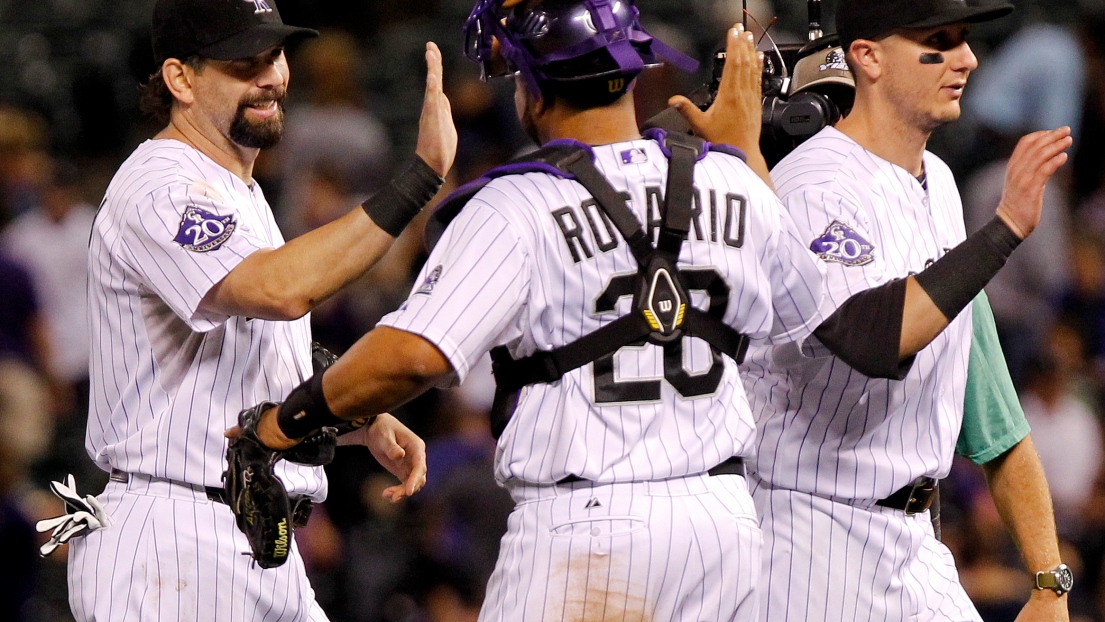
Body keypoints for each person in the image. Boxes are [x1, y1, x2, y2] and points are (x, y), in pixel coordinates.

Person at [234, 0, 830, 618]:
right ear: (632, 68)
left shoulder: (516, 204)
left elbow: (413, 356)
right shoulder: (734, 184)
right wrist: (744, 156)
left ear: (533, 89)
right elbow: (805, 321)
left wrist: (282, 423)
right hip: (722, 524)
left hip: (589, 531)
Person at [60, 0, 456, 619]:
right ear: (181, 79)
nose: (271, 74)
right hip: (174, 541)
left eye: (275, 55)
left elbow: (249, 354)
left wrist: (354, 417)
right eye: (244, 62)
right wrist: (420, 177)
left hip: (248, 535)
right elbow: (281, 289)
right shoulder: (163, 183)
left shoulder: (237, 191)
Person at [716, 0, 1074, 619]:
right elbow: (868, 337)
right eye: (937, 41)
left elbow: (991, 411)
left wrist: (1049, 581)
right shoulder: (815, 184)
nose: (966, 59)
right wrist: (1005, 229)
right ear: (868, 57)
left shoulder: (938, 181)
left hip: (915, 544)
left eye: (963, 40)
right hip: (811, 538)